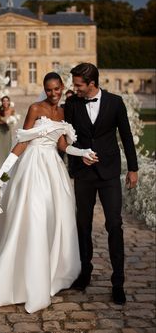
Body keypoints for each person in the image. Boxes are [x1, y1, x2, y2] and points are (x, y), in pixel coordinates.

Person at [0, 72, 95, 313]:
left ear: (62, 87)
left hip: (54, 170)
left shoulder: (64, 112)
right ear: (45, 89)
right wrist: (2, 174)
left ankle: (53, 272)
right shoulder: (35, 108)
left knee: (56, 219)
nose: (54, 93)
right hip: (33, 168)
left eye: (57, 89)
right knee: (32, 217)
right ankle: (21, 277)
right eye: (49, 89)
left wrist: (83, 152)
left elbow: (62, 145)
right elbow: (22, 142)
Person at [64, 63, 138, 305]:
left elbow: (125, 135)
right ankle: (85, 274)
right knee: (82, 225)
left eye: (78, 85)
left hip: (109, 174)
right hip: (83, 175)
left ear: (92, 84)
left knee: (114, 225)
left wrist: (133, 169)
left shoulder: (115, 102)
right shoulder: (73, 104)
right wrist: (76, 159)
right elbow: (67, 137)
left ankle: (118, 282)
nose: (74, 88)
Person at [0, 96, 15, 179]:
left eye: (7, 101)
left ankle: (6, 171)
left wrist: (11, 122)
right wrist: (3, 122)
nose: (5, 102)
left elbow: (13, 120)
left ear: (9, 102)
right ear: (2, 102)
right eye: (4, 101)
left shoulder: (12, 110)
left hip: (7, 132)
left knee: (7, 150)